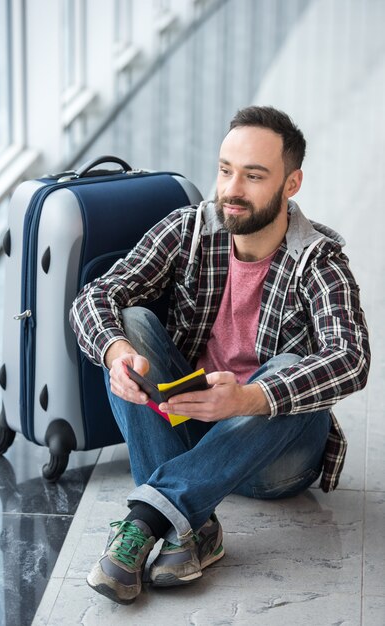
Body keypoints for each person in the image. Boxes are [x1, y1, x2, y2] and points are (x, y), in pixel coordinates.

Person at [70, 105, 370, 605]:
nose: (232, 189)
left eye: (253, 176)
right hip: (190, 431)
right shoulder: (189, 228)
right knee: (131, 322)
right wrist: (115, 350)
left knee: (292, 372)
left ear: (291, 184)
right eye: (225, 170)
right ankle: (193, 525)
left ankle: (147, 517)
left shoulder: (318, 258)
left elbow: (352, 358)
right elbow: (97, 295)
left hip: (272, 458)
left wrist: (250, 398)